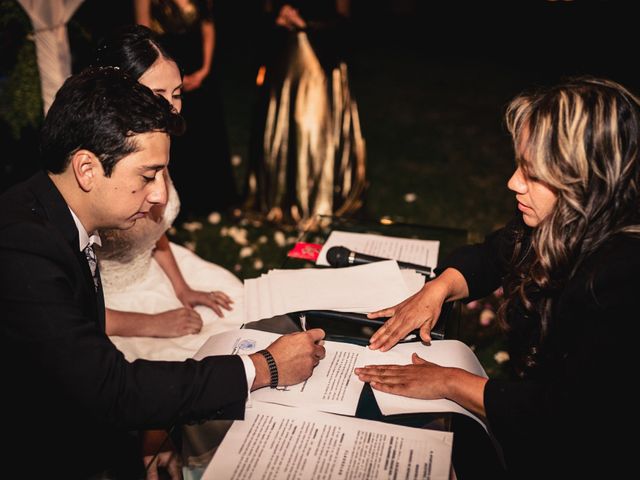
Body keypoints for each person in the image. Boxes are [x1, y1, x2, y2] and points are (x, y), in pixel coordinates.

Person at [0, 66, 326, 478]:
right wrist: (264, 367)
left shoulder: (53, 212)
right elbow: (107, 391)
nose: (158, 195)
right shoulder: (23, 251)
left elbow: (81, 353)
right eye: (147, 175)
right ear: (86, 169)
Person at [356, 77, 639, 478]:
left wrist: (451, 382)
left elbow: (566, 413)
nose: (512, 182)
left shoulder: (621, 281)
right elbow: (494, 254)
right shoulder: (564, 220)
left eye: (533, 173)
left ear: (588, 182)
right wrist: (438, 288)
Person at [94, 24, 242, 362]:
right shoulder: (99, 170)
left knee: (240, 313)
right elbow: (68, 306)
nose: (172, 108)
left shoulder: (152, 144)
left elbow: (153, 230)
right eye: (158, 94)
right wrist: (152, 323)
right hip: (110, 307)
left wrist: (181, 287)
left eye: (177, 93)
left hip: (155, 268)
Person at [245, 0, 366, 224]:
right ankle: (279, 198)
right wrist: (277, 19)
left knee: (313, 126)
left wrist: (306, 24)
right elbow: (260, 15)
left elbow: (345, 22)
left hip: (321, 58)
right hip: (284, 57)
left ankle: (319, 199)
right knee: (281, 123)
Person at [134, 0, 239, 217]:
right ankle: (185, 204)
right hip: (166, 71)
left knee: (208, 132)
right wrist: (166, 80)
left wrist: (204, 69)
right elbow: (143, 37)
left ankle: (217, 197)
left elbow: (208, 27)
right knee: (178, 139)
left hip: (198, 72)